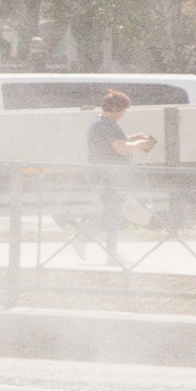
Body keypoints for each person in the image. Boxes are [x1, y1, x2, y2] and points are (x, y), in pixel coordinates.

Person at [79, 87, 156, 265]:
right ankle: (83, 237)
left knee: (113, 211)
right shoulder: (105, 125)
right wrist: (141, 143)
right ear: (114, 109)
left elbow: (116, 142)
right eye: (122, 111)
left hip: (106, 176)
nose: (123, 114)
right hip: (103, 176)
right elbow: (121, 148)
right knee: (114, 213)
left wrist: (134, 138)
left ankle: (112, 253)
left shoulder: (103, 124)